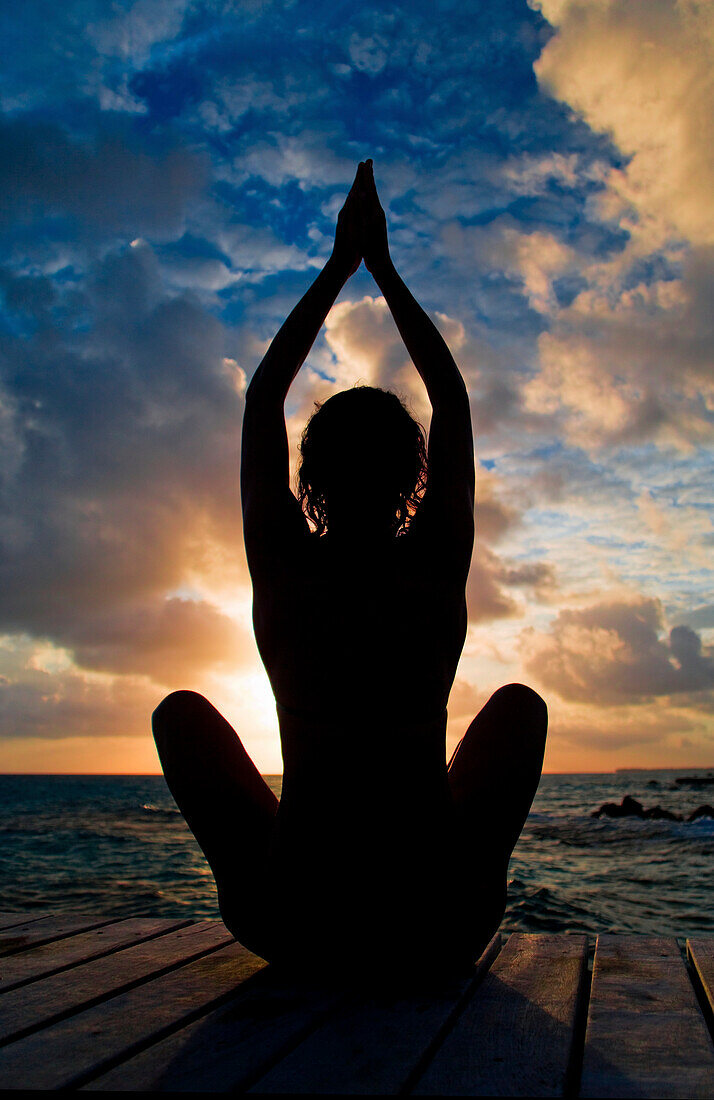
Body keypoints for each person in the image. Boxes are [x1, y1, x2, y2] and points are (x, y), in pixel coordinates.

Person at [153, 160, 547, 982]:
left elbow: (264, 400)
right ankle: (463, 875)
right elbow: (454, 400)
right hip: (436, 925)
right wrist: (386, 272)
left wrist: (340, 264)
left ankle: (300, 878)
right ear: (415, 480)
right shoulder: (435, 567)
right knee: (520, 708)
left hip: (294, 923)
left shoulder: (285, 567)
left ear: (310, 480)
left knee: (179, 715)